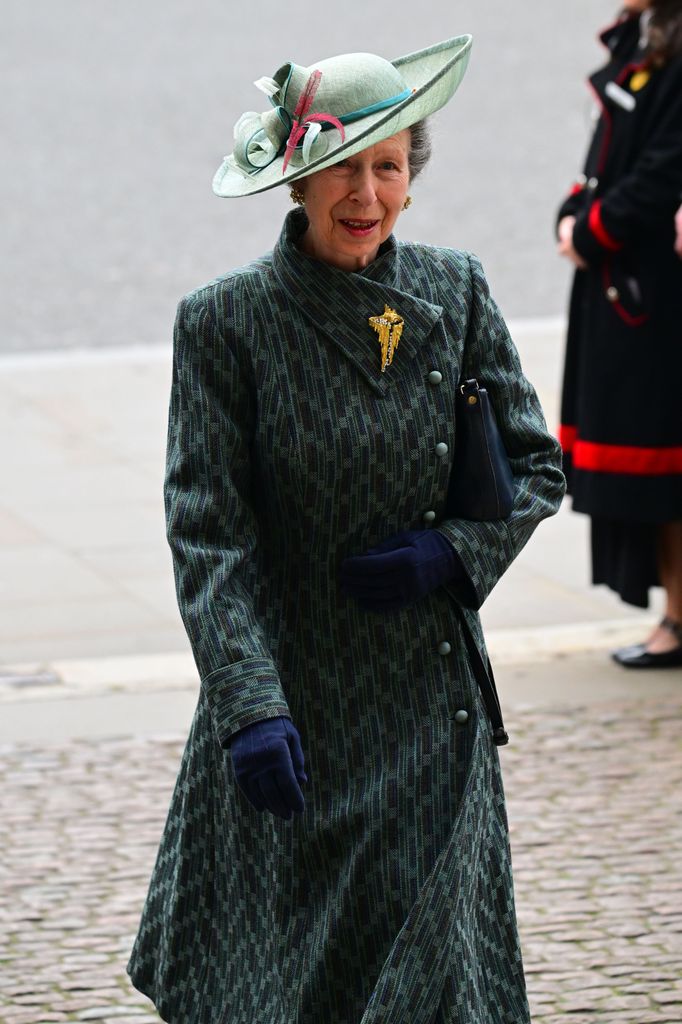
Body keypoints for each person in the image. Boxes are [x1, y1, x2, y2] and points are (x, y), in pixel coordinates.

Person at [127, 35, 565, 1024]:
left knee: (430, 982)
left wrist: (451, 552)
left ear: (412, 176)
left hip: (427, 715)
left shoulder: (455, 292)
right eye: (339, 169)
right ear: (296, 180)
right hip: (296, 709)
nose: (364, 193)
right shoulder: (226, 325)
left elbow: (539, 466)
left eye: (388, 167)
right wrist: (248, 708)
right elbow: (208, 536)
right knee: (290, 985)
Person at [556, 0, 682, 667]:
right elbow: (616, 154)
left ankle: (680, 621)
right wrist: (574, 211)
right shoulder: (643, 36)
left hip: (657, 289)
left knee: (664, 462)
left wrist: (592, 228)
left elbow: (666, 169)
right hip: (630, 280)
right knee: (660, 467)